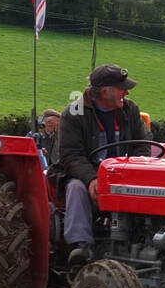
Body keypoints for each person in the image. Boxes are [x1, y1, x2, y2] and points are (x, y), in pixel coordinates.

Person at [59, 64, 148, 262]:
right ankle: (80, 247)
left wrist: (136, 171)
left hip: (122, 174)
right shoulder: (74, 113)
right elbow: (71, 155)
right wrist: (92, 179)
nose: (126, 91)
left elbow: (142, 146)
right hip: (85, 174)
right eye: (121, 88)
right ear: (105, 91)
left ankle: (142, 242)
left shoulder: (130, 110)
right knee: (75, 188)